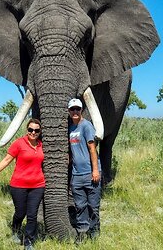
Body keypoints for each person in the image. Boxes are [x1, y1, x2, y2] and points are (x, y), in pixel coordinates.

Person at [0, 119, 45, 250]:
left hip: (38, 185)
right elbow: (6, 160)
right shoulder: (19, 143)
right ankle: (16, 229)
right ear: (26, 130)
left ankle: (29, 242)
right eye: (30, 130)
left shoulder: (41, 145)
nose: (33, 132)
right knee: (20, 212)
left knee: (32, 214)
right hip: (19, 185)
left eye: (36, 130)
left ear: (40, 132)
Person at [67, 98, 102, 244]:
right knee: (80, 206)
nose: (75, 111)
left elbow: (92, 149)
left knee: (93, 205)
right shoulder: (70, 128)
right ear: (69, 111)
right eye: (72, 109)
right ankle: (82, 231)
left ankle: (94, 231)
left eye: (77, 109)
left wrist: (95, 171)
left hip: (89, 173)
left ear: (81, 110)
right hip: (76, 175)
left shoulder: (87, 126)